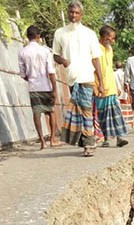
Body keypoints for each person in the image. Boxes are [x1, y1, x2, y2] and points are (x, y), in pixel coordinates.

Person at [53, 0, 104, 157]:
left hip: (87, 76)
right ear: (68, 12)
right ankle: (85, 140)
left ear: (81, 14)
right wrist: (63, 61)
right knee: (77, 110)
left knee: (86, 109)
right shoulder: (60, 33)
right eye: (71, 12)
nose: (73, 15)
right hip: (72, 78)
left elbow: (96, 59)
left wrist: (100, 82)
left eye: (76, 13)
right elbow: (55, 55)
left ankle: (89, 143)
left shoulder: (89, 34)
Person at [19, 25, 60, 149]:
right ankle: (53, 139)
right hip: (46, 85)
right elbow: (51, 71)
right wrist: (54, 89)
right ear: (38, 37)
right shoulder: (45, 51)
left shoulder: (22, 52)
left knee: (36, 113)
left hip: (33, 87)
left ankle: (42, 141)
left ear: (28, 36)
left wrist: (31, 78)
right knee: (51, 111)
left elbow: (23, 73)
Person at [93, 25, 128, 148]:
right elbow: (96, 69)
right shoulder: (95, 49)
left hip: (111, 87)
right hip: (100, 87)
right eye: (112, 38)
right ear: (105, 37)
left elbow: (109, 69)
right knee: (103, 115)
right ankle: (106, 139)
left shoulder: (109, 49)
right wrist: (99, 85)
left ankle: (120, 137)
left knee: (116, 113)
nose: (113, 41)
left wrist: (116, 86)